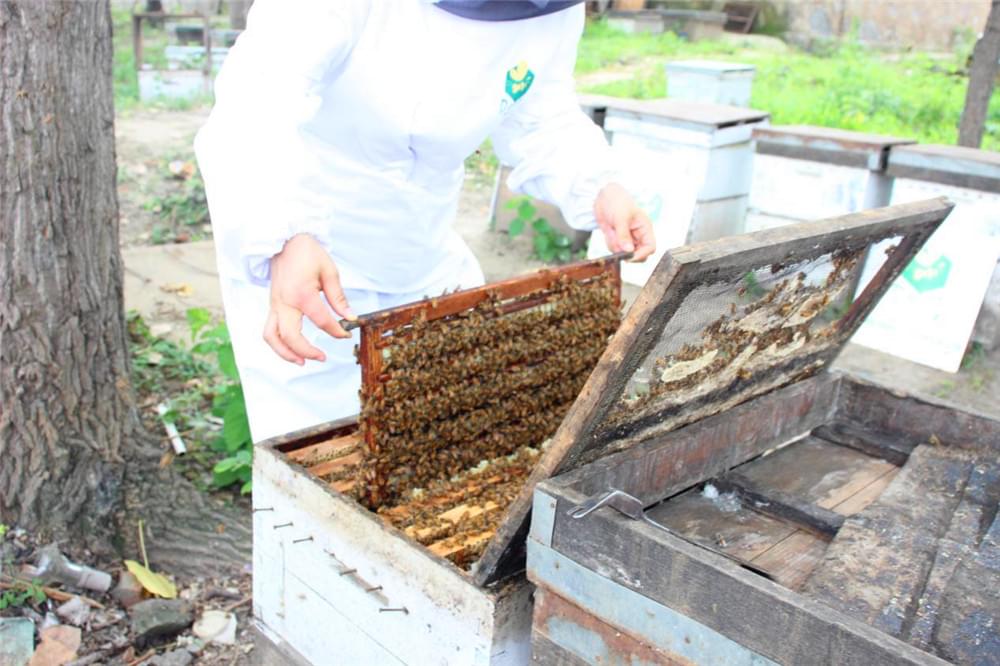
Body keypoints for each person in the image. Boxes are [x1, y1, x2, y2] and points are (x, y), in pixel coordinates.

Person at [195, 0, 656, 443]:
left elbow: (542, 115)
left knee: (447, 431)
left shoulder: (551, 7)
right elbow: (256, 102)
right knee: (318, 461)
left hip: (423, 245)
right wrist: (287, 231)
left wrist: (599, 185)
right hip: (306, 259)